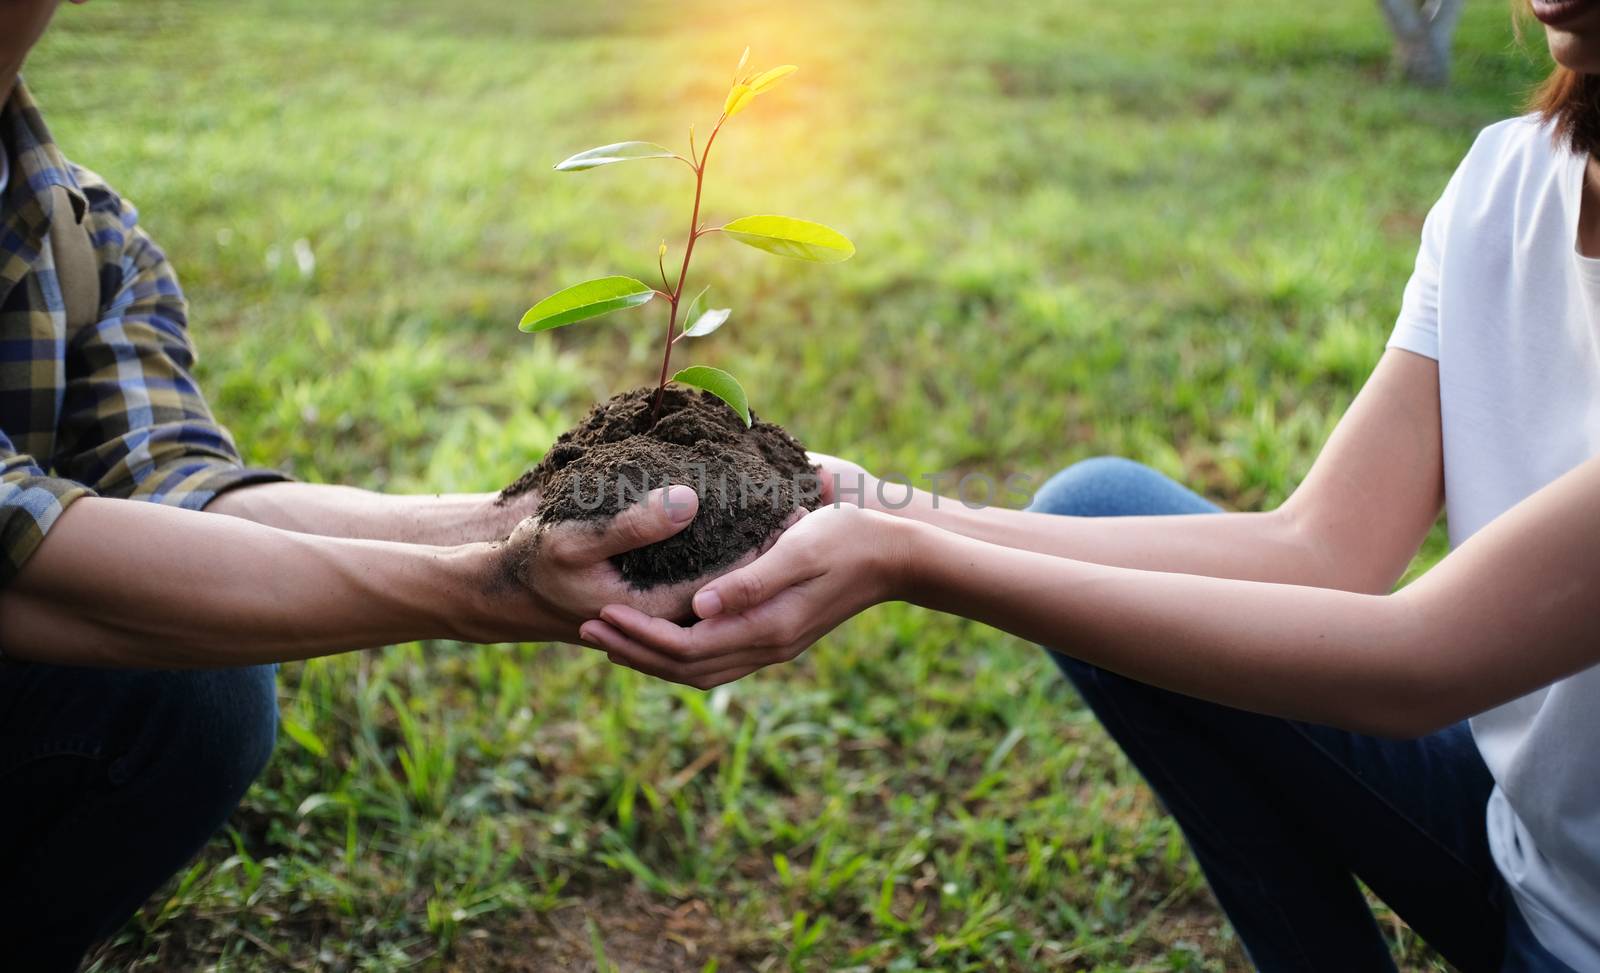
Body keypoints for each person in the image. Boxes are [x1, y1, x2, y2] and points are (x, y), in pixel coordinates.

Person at [584, 2, 1600, 970]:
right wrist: (882, 502)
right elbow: (1320, 552)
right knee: (1093, 502)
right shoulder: (1503, 185)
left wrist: (907, 557)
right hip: (1519, 849)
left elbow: (1424, 663)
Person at [0, 2, 712, 969]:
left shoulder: (86, 236)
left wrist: (539, 514)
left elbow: (173, 482)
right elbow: (20, 549)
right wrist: (491, 587)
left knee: (186, 694)